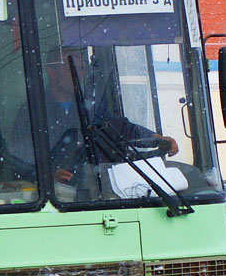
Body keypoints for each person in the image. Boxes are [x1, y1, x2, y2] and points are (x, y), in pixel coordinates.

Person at [39, 50, 177, 189]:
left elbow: (119, 128)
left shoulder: (89, 106)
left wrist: (156, 138)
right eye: (73, 68)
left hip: (98, 188)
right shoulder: (36, 112)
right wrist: (49, 175)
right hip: (62, 194)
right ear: (51, 72)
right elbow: (24, 162)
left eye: (81, 69)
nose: (79, 75)